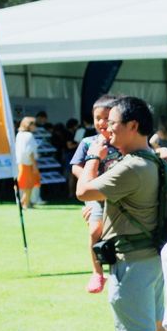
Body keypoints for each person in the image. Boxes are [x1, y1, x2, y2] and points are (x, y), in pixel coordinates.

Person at [75, 96, 166, 331]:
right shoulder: (151, 160)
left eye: (113, 122)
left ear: (133, 126)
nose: (107, 128)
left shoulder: (131, 167)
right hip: (151, 261)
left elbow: (84, 191)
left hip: (134, 265)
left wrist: (93, 158)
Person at [70, 94, 123, 294]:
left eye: (106, 117)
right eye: (97, 118)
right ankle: (97, 273)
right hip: (96, 197)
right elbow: (75, 166)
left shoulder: (122, 142)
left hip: (119, 197)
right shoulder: (88, 142)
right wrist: (88, 179)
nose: (101, 122)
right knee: (95, 232)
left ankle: (117, 270)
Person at [15, 116, 40, 209]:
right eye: (34, 124)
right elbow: (30, 152)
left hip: (20, 163)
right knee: (29, 185)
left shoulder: (19, 134)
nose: (36, 127)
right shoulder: (29, 136)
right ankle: (25, 203)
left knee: (24, 184)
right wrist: (34, 165)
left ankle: (24, 202)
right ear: (29, 125)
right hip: (28, 163)